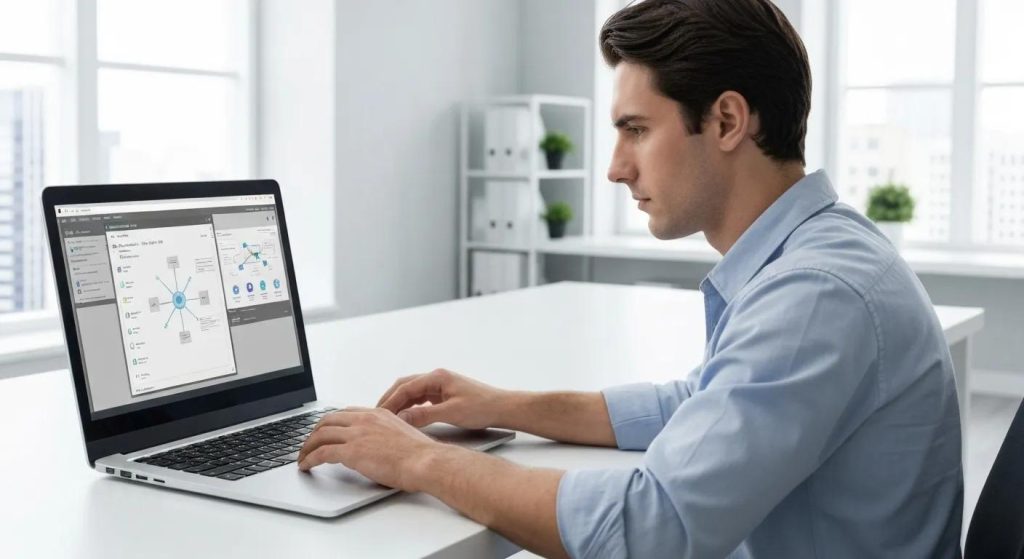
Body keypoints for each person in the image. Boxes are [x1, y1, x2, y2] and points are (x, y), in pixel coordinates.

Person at [297, 0, 963, 557]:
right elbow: (697, 403)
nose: (616, 169)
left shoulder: (818, 293)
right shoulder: (815, 254)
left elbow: (651, 528)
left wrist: (419, 459)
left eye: (636, 131)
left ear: (727, 120)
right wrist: (503, 406)